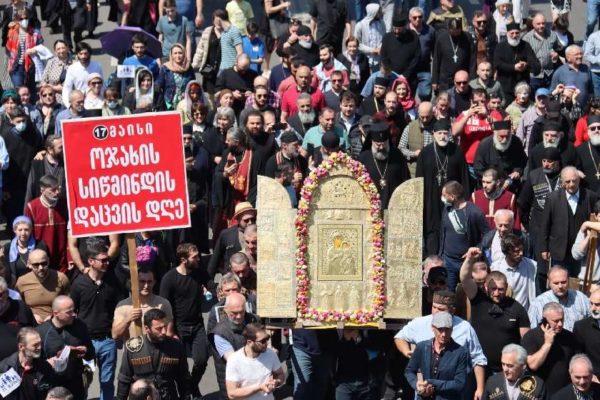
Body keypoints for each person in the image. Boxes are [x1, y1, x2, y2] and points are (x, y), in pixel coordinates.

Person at [395, 290, 488, 400]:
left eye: (441, 309)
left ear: (452, 310)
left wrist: (480, 388)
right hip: (424, 393)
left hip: (451, 393)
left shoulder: (465, 328)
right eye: (434, 307)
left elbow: (478, 359)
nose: (436, 312)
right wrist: (406, 351)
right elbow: (400, 337)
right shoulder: (420, 323)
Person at [460, 248, 530, 375]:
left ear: (507, 287)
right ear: (486, 286)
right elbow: (464, 278)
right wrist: (469, 259)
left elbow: (526, 340)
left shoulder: (517, 308)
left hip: (505, 370)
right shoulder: (478, 299)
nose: (497, 293)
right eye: (493, 289)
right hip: (477, 366)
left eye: (501, 289)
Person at [70, 242, 125, 400]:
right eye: (103, 260)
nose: (107, 263)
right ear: (91, 261)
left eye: (108, 260)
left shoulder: (113, 281)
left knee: (107, 381)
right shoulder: (79, 284)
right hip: (86, 342)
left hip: (108, 340)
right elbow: (72, 310)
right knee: (83, 381)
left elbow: (121, 306)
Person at [159, 243, 209, 400]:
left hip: (197, 325)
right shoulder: (169, 278)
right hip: (178, 327)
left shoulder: (199, 273)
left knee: (201, 359)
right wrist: (169, 330)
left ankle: (192, 385)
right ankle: (185, 393)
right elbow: (165, 307)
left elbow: (212, 284)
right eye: (194, 257)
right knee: (179, 366)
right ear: (183, 259)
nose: (199, 259)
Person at [417, 119, 470, 255]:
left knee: (452, 227)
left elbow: (464, 178)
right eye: (439, 133)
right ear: (433, 134)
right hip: (430, 200)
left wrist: (464, 201)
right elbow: (419, 179)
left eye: (445, 133)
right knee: (432, 229)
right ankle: (433, 258)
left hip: (453, 200)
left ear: (449, 134)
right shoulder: (425, 153)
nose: (442, 136)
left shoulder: (457, 152)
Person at [116, 308, 191, 400]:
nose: (164, 331)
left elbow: (183, 378)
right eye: (159, 328)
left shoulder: (176, 346)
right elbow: (124, 379)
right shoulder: (133, 348)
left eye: (165, 326)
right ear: (147, 329)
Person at [540, 167, 599, 276]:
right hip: (559, 251)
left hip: (583, 251)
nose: (571, 184)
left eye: (574, 181)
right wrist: (544, 248)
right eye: (567, 181)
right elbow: (545, 224)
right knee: (561, 280)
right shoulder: (552, 198)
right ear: (562, 182)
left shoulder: (590, 196)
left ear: (579, 180)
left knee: (580, 282)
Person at [36, 295, 94, 399]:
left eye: (74, 310)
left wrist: (85, 351)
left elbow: (91, 353)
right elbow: (35, 363)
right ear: (56, 313)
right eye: (69, 312)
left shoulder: (80, 326)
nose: (74, 314)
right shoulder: (41, 332)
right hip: (53, 386)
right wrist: (49, 362)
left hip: (75, 384)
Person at [404, 311, 469, 400]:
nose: (444, 334)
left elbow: (459, 383)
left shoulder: (460, 352)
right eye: (440, 329)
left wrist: (431, 383)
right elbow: (409, 371)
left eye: (447, 330)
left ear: (452, 329)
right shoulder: (422, 347)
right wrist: (417, 384)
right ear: (433, 328)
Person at [439, 181, 490, 290]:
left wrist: (477, 249)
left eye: (444, 195)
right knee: (449, 293)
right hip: (448, 261)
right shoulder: (447, 209)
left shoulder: (475, 212)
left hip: (468, 263)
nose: (442, 198)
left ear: (452, 197)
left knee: (470, 292)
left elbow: (488, 234)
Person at [522, 302, 581, 394]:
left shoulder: (570, 337)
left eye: (562, 320)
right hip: (540, 392)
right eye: (556, 321)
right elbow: (533, 365)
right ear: (544, 320)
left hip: (565, 391)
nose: (560, 324)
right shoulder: (531, 337)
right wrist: (547, 344)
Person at [210, 292, 260, 398]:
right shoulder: (220, 333)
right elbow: (234, 361)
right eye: (234, 313)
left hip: (257, 379)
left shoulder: (255, 320)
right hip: (235, 383)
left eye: (242, 311)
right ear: (226, 310)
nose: (239, 316)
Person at [0, 106, 41, 228]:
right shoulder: (5, 136)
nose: (22, 124)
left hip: (29, 178)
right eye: (18, 121)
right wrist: (5, 188)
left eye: (23, 121)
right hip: (12, 182)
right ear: (11, 121)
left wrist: (41, 152)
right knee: (13, 212)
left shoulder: (31, 133)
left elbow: (41, 147)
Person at [112, 267, 174, 341]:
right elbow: (115, 335)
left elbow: (169, 333)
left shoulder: (163, 303)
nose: (146, 286)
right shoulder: (123, 305)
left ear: (154, 282)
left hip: (157, 347)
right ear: (134, 282)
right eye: (142, 281)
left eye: (149, 282)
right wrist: (128, 319)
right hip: (132, 347)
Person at [225, 322, 284, 399]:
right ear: (249, 342)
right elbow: (232, 394)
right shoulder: (234, 360)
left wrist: (276, 382)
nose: (267, 343)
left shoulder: (270, 353)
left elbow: (280, 374)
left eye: (267, 338)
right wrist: (259, 388)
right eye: (263, 341)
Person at [358, 122, 410, 209]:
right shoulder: (363, 158)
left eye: (384, 144)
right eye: (378, 145)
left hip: (394, 206)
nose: (381, 147)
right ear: (372, 141)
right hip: (369, 207)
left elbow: (405, 180)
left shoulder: (397, 155)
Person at [24, 175, 68, 273]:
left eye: (58, 189)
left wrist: (70, 257)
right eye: (53, 190)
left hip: (62, 259)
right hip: (41, 260)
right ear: (42, 190)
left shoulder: (64, 205)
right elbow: (27, 235)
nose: (57, 192)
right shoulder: (32, 207)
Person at [0, 327, 58, 400]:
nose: (40, 347)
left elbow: (52, 390)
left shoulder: (45, 367)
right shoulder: (5, 368)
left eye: (40, 343)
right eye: (35, 345)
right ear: (21, 347)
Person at [528, 266, 591, 331]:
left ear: (568, 280)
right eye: (556, 283)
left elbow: (591, 323)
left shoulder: (581, 298)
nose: (560, 286)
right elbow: (532, 331)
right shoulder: (538, 303)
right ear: (549, 283)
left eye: (563, 282)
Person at [15, 249, 69, 323]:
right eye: (36, 265)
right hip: (31, 322)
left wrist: (54, 316)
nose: (41, 268)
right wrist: (32, 315)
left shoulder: (61, 278)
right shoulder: (22, 281)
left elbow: (69, 304)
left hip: (56, 321)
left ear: (48, 261)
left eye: (44, 263)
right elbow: (19, 305)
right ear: (29, 264)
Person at [474, 119, 527, 191]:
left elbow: (522, 162)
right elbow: (478, 169)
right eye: (501, 136)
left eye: (507, 136)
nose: (504, 140)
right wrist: (494, 181)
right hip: (490, 187)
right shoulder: (485, 145)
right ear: (495, 134)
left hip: (511, 185)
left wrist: (517, 172)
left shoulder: (516, 142)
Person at [493, 22, 541, 104]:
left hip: (522, 89)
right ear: (507, 34)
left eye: (517, 33)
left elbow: (535, 64)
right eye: (512, 33)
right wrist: (513, 67)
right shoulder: (500, 46)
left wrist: (526, 65)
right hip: (506, 88)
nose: (514, 35)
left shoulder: (525, 45)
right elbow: (497, 64)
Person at [482, 344, 547, 400]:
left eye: (510, 366)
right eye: (503, 364)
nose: (505, 369)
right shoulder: (492, 382)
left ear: (523, 366)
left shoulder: (538, 385)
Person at [491, 233, 537, 310]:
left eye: (522, 250)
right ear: (507, 253)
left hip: (523, 313)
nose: (521, 253)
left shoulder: (530, 265)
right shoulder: (496, 268)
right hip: (503, 312)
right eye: (517, 251)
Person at [1, 216, 49, 285]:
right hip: (16, 285)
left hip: (37, 283)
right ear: (14, 230)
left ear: (31, 230)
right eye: (20, 230)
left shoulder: (40, 245)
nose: (23, 233)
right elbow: (7, 271)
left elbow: (47, 265)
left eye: (26, 230)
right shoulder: (7, 248)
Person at [5, 7, 43, 93]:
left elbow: (42, 48)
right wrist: (8, 65)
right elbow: (8, 51)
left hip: (31, 66)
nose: (24, 20)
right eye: (21, 19)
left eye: (26, 18)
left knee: (31, 91)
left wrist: (35, 49)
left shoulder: (35, 33)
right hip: (16, 67)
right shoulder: (12, 33)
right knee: (19, 90)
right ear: (17, 20)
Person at [522, 13, 561, 93]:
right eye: (538, 24)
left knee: (550, 96)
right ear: (533, 24)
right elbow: (523, 56)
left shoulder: (552, 35)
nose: (541, 26)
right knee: (535, 96)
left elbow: (559, 49)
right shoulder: (527, 38)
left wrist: (557, 54)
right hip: (535, 75)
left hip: (549, 73)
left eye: (543, 23)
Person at [431, 18, 472, 93]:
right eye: (453, 30)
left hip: (462, 79)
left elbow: (472, 58)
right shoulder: (441, 38)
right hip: (445, 80)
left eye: (457, 30)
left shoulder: (467, 37)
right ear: (449, 29)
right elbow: (436, 60)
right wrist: (435, 80)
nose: (455, 32)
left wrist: (472, 76)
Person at [191, 11, 223, 99]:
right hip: (209, 68)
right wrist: (194, 64)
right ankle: (212, 107)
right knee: (210, 94)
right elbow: (200, 49)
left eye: (220, 20)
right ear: (213, 21)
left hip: (222, 68)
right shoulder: (208, 31)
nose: (218, 23)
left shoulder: (228, 33)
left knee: (222, 93)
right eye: (216, 20)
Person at [380, 14, 420, 85]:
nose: (397, 31)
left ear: (405, 27)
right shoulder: (387, 37)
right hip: (391, 76)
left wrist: (406, 74)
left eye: (399, 29)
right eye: (395, 28)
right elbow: (383, 56)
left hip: (409, 77)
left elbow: (416, 57)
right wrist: (389, 72)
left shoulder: (413, 37)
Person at [61, 41, 102, 108]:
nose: (83, 56)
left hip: (97, 102)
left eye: (85, 54)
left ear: (89, 54)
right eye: (81, 54)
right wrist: (69, 105)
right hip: (80, 103)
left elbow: (102, 85)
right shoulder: (72, 69)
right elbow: (67, 89)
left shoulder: (97, 66)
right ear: (77, 54)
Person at [399, 101, 435, 177]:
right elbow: (401, 148)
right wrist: (413, 154)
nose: (424, 120)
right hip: (414, 171)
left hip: (434, 170)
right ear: (418, 113)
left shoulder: (440, 128)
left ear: (433, 113)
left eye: (427, 117)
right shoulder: (410, 127)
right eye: (422, 117)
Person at [155, 43, 195, 111]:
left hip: (185, 103)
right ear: (171, 55)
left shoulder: (188, 67)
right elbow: (159, 83)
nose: (178, 56)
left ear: (184, 54)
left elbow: (193, 84)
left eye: (180, 53)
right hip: (169, 103)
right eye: (175, 53)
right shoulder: (165, 68)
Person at [409, 6, 435, 101]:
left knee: (425, 94)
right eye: (414, 17)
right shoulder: (406, 30)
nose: (418, 19)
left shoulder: (430, 30)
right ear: (410, 18)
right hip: (409, 70)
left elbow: (434, 50)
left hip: (424, 68)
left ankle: (425, 109)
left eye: (420, 17)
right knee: (408, 95)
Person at [573, 289, 600, 379]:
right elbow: (578, 356)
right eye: (591, 304)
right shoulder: (581, 327)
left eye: (597, 305)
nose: (593, 308)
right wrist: (590, 376)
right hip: (592, 380)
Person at [40, 40, 72, 106]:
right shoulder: (51, 62)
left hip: (69, 98)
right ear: (55, 51)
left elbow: (71, 85)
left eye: (63, 48)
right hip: (52, 98)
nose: (61, 51)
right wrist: (49, 87)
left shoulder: (74, 62)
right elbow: (43, 79)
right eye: (58, 49)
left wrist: (52, 87)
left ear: (67, 48)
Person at [354, 4, 384, 72]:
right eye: (379, 12)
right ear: (373, 12)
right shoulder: (360, 25)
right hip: (365, 60)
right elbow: (357, 44)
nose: (381, 13)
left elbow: (384, 38)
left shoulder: (382, 23)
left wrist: (380, 47)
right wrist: (372, 50)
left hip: (379, 60)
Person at [575, 115, 600, 192]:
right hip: (589, 193)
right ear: (588, 132)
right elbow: (576, 169)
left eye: (599, 128)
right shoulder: (580, 150)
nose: (596, 130)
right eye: (593, 128)